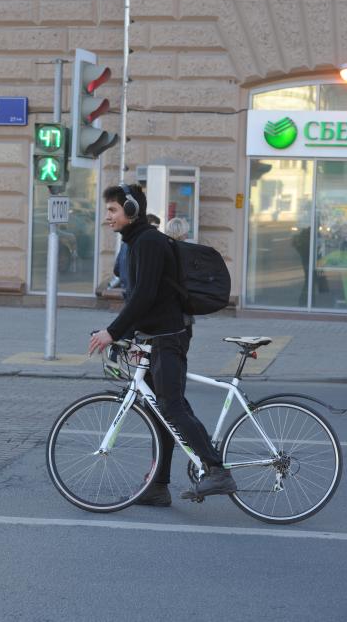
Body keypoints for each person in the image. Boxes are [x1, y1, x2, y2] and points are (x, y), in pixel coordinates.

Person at [89, 183, 236, 507]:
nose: (107, 217)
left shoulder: (149, 242)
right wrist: (128, 336)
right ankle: (157, 485)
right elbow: (140, 299)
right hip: (156, 335)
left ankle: (216, 469)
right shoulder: (137, 242)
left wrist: (113, 332)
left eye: (113, 210)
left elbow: (145, 295)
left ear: (130, 210)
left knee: (171, 405)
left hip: (170, 337)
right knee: (159, 411)